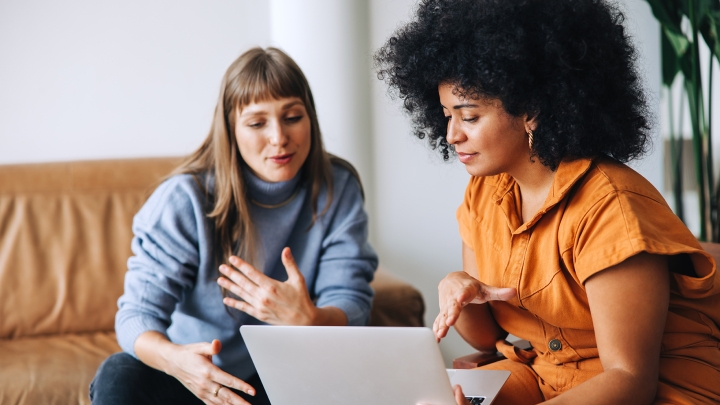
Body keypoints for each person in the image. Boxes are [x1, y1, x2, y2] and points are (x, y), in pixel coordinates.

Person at [375, 0, 720, 404]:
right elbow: (488, 336)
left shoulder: (611, 208)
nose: (451, 135)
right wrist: (456, 288)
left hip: (655, 389)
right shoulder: (484, 192)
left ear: (532, 111)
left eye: (469, 117)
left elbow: (630, 380)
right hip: (544, 375)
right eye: (446, 115)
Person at [90, 47, 377, 405]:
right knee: (120, 373)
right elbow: (137, 316)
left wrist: (310, 318)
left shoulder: (337, 186)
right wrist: (178, 362)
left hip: (285, 375)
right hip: (195, 375)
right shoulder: (185, 199)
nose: (278, 138)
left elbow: (351, 302)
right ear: (231, 129)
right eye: (257, 123)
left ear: (311, 119)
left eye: (292, 117)